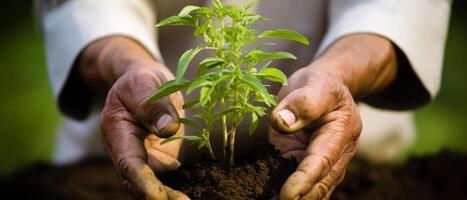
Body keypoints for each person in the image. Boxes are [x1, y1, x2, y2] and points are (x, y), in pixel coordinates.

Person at [37, 0, 451, 199]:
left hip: (354, 171)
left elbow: (395, 7)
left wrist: (341, 72)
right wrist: (124, 63)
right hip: (126, 170)